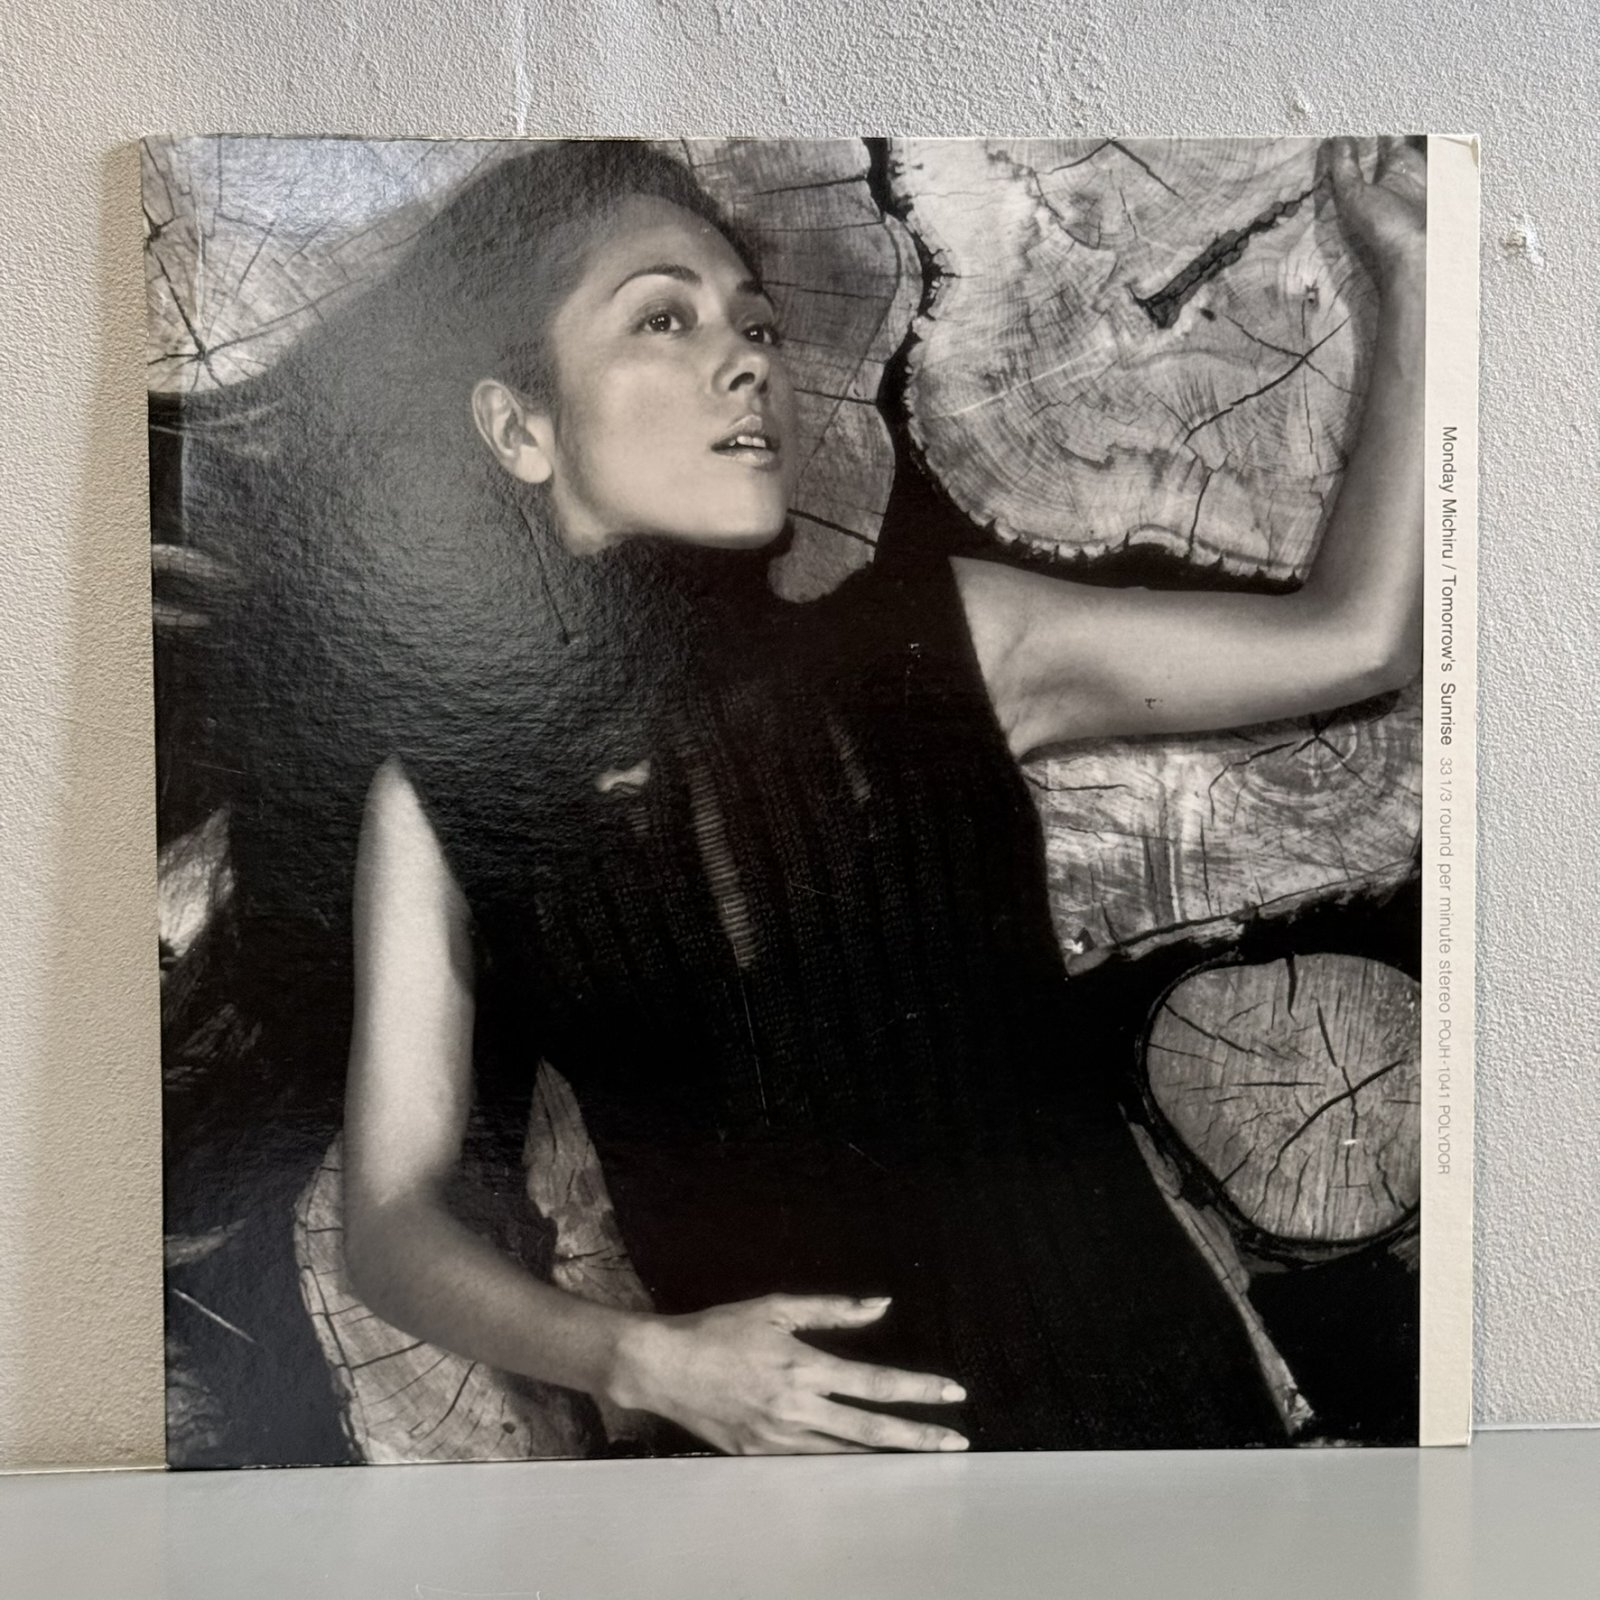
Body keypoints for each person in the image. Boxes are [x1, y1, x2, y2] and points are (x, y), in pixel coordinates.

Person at [172, 137, 1425, 1458]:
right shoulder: (448, 791)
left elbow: (1358, 638)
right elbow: (392, 1223)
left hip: (1146, 1433)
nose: (746, 359)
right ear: (519, 428)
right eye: (665, 318)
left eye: (756, 322)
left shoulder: (941, 640)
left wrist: (1409, 287)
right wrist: (642, 1359)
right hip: (796, 1498)